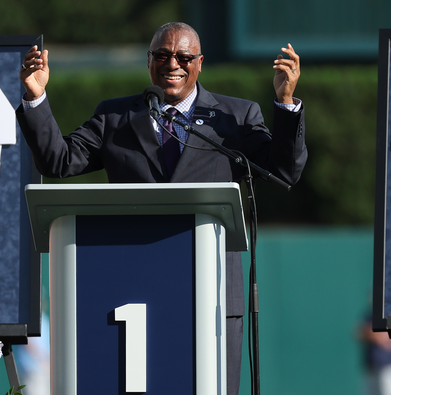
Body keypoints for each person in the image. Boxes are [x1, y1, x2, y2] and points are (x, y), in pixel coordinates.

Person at [16, 21, 308, 395]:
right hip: (131, 290)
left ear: (199, 62)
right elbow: (59, 161)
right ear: (148, 61)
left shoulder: (236, 117)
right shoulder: (115, 117)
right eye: (163, 55)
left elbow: (284, 171)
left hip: (213, 291)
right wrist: (36, 98)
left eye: (184, 57)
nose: (174, 64)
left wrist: (285, 103)